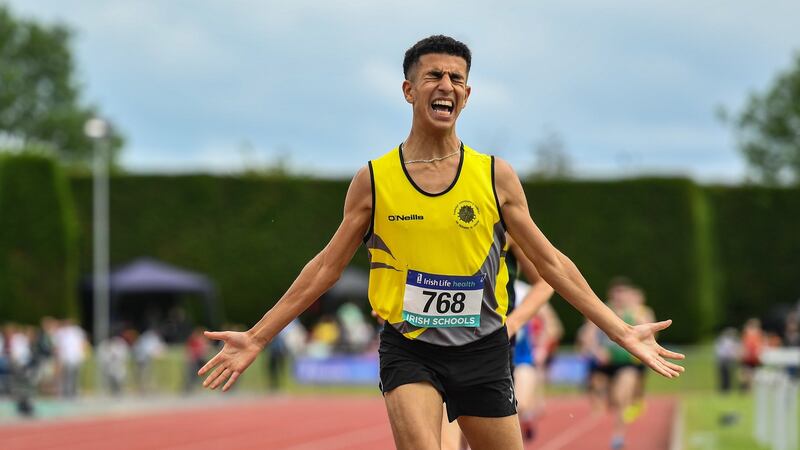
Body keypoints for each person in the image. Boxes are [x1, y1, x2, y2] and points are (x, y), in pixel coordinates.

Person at [199, 35, 685, 450]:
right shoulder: (375, 180)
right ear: (410, 90)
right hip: (410, 347)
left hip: (484, 349)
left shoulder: (495, 177)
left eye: (456, 78)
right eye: (433, 76)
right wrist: (259, 335)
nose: (445, 86)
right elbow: (325, 267)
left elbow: (552, 265)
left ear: (467, 95)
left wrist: (619, 331)